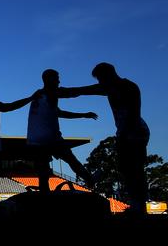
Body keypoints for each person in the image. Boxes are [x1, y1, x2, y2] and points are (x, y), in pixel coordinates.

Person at [64, 63, 150, 216]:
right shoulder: (107, 88)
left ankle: (140, 206)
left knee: (135, 168)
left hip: (136, 132)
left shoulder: (129, 87)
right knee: (125, 168)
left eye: (100, 79)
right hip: (123, 133)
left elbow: (135, 114)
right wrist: (57, 93)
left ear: (108, 75)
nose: (99, 82)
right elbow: (81, 90)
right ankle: (135, 204)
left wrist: (125, 135)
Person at [27, 69, 97, 193]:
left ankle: (45, 194)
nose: (59, 81)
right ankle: (90, 181)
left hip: (34, 141)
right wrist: (97, 89)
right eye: (57, 78)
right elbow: (73, 92)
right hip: (50, 139)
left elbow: (59, 113)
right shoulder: (50, 92)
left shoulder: (38, 95)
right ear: (48, 79)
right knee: (71, 160)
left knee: (43, 172)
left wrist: (82, 115)